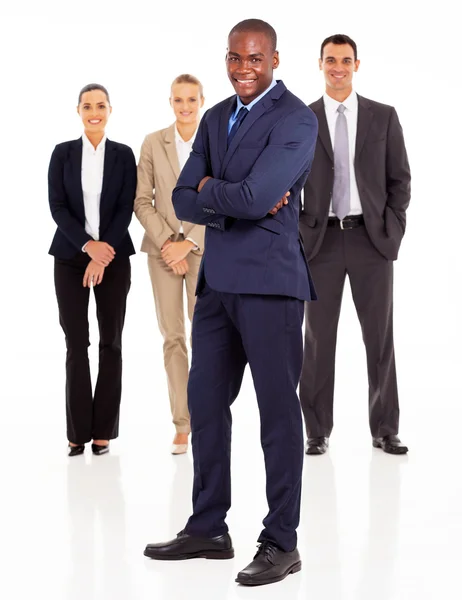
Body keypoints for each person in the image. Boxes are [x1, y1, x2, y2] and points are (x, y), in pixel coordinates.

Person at [144, 19, 318, 587]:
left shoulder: (295, 118)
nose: (245, 69)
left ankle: (281, 541)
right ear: (227, 59)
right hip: (217, 284)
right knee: (206, 406)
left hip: (271, 285)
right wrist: (235, 200)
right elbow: (181, 198)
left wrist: (218, 194)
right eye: (235, 59)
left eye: (255, 59)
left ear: (274, 59)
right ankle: (209, 528)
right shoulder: (217, 116)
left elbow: (260, 195)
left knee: (275, 414)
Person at [299, 34, 411, 456]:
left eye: (345, 60)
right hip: (320, 240)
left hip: (371, 240)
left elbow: (400, 180)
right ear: (321, 64)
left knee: (379, 337)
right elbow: (288, 184)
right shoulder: (303, 119)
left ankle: (385, 428)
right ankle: (316, 430)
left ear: (357, 65)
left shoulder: (383, 117)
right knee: (317, 338)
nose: (338, 67)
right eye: (331, 59)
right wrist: (298, 234)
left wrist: (391, 232)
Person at [48, 83, 136, 457]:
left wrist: (102, 255)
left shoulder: (123, 154)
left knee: (111, 343)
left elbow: (125, 207)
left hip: (114, 258)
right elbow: (57, 206)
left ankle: (104, 432)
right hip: (70, 258)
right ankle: (76, 431)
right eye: (87, 106)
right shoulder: (63, 153)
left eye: (100, 105)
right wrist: (88, 248)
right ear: (79, 111)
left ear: (110, 110)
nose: (94, 111)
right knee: (76, 343)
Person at [134, 75, 205, 455]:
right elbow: (142, 200)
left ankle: (206, 418)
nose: (185, 106)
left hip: (201, 249)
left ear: (201, 100)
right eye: (178, 100)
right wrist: (167, 244)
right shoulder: (152, 143)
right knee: (173, 337)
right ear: (170, 102)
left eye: (191, 99)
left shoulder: (215, 143)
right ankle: (182, 423)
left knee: (205, 336)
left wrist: (189, 242)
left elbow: (222, 200)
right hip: (161, 252)